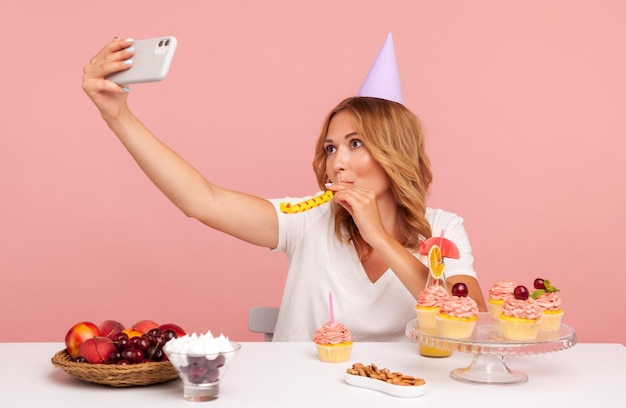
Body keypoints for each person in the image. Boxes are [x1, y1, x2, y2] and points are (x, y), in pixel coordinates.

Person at [82, 37, 486, 342]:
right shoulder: (307, 219)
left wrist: (379, 237)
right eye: (331, 148)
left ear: (395, 153)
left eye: (355, 144)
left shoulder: (444, 229)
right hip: (298, 398)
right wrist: (118, 117)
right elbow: (202, 201)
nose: (337, 162)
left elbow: (472, 323)